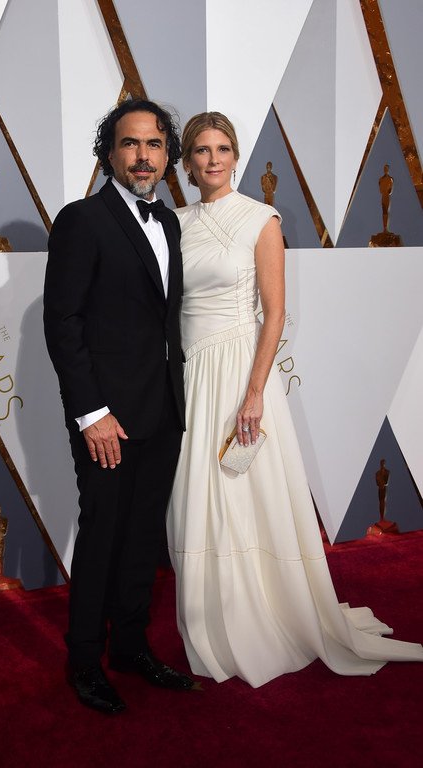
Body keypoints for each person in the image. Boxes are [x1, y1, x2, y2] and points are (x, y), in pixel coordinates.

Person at [167, 111, 423, 687]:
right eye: (202, 150)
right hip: (190, 374)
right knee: (197, 499)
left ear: (236, 157)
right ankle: (214, 620)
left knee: (246, 494)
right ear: (186, 163)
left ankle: (265, 618)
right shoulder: (173, 223)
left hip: (240, 371)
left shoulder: (261, 218)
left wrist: (255, 392)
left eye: (223, 148)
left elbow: (275, 312)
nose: (212, 159)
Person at [44, 99, 193, 714]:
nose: (143, 155)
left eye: (154, 144)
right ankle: (84, 659)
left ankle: (131, 646)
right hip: (106, 418)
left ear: (167, 155)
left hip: (162, 409)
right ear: (110, 153)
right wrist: (91, 413)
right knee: (103, 534)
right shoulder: (82, 220)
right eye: (130, 143)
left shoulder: (171, 223)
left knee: (142, 536)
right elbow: (63, 323)